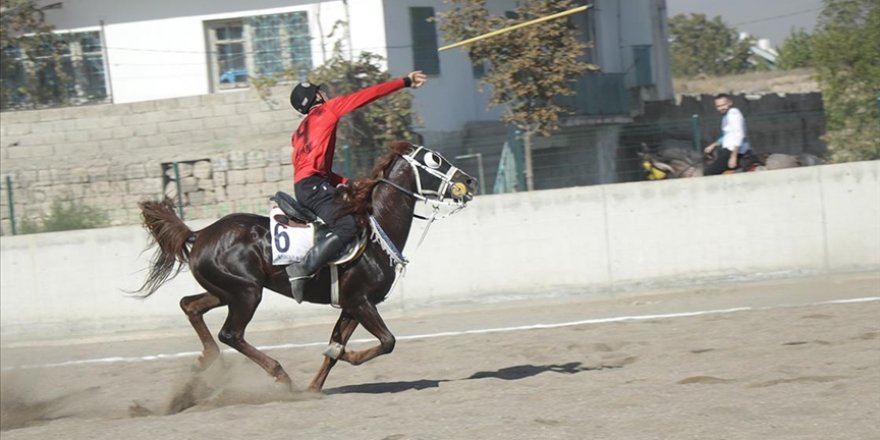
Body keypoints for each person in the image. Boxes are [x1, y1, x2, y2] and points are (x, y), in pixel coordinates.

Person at [285, 71, 427, 300]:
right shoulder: (328, 110)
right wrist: (405, 81)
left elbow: (316, 170)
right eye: (319, 91)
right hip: (313, 187)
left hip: (308, 185)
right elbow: (368, 95)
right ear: (316, 99)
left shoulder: (300, 131)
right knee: (347, 227)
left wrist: (348, 183)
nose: (324, 93)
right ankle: (303, 268)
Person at [703, 93, 752, 175]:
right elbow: (727, 135)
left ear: (730, 103)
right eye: (718, 106)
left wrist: (733, 156)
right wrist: (714, 145)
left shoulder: (733, 113)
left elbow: (738, 135)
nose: (721, 108)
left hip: (735, 151)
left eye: (723, 105)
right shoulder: (726, 116)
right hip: (728, 151)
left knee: (709, 173)